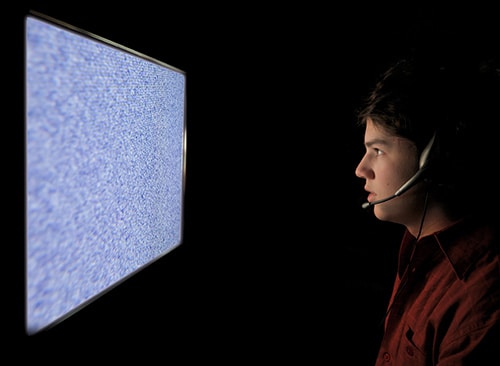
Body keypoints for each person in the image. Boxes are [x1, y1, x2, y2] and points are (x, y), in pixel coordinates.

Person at [354, 52, 500, 365]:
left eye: (378, 150)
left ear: (431, 160)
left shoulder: (477, 299)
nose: (360, 169)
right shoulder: (418, 247)